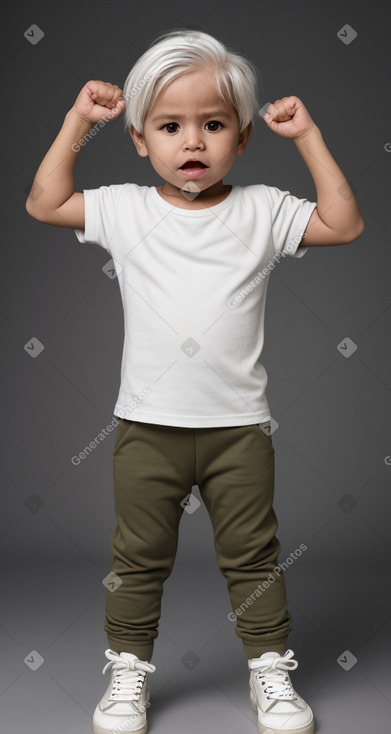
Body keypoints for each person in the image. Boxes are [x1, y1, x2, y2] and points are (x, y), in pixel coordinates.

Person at [26, 27, 364, 734]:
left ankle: (268, 670)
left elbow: (343, 223)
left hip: (239, 430)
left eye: (212, 125)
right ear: (141, 139)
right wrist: (76, 122)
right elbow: (45, 202)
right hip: (147, 428)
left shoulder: (263, 208)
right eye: (170, 126)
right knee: (137, 559)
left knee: (253, 559)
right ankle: (127, 671)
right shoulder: (124, 208)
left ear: (241, 138)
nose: (192, 142)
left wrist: (306, 136)